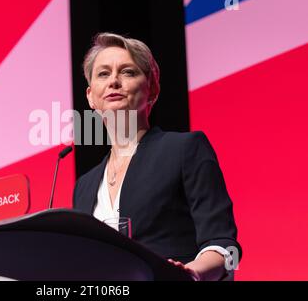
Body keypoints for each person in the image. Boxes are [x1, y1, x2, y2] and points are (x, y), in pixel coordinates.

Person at [72, 32, 242, 281]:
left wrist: (191, 272)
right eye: (103, 73)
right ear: (90, 97)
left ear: (152, 88)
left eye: (128, 72)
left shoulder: (184, 150)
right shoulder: (84, 186)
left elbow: (226, 248)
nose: (114, 81)